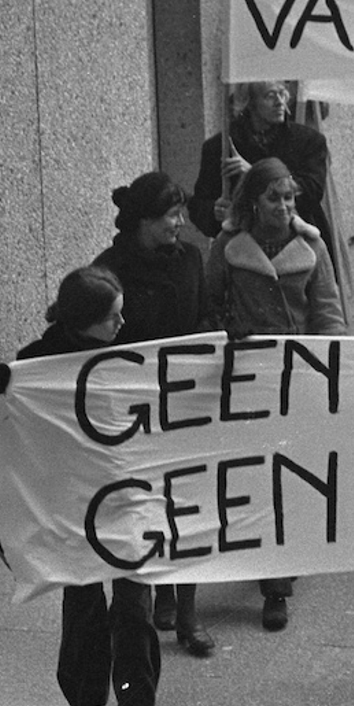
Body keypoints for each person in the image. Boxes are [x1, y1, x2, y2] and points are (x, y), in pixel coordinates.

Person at [0, 266, 168, 706]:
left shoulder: (129, 350)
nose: (122, 324)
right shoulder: (35, 365)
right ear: (83, 320)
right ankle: (84, 696)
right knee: (84, 601)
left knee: (135, 608)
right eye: (111, 316)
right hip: (73, 500)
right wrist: (3, 390)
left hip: (127, 494)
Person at [202, 157, 345, 631]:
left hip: (299, 373)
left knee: (289, 474)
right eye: (273, 198)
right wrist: (228, 330)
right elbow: (209, 303)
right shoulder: (226, 247)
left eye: (289, 198)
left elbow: (327, 309)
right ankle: (266, 566)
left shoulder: (311, 247)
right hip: (247, 373)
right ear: (252, 202)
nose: (283, 207)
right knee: (256, 475)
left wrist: (332, 365)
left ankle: (278, 582)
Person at [92, 173, 215, 660]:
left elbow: (205, 315)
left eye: (182, 213)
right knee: (146, 505)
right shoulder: (108, 270)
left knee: (188, 504)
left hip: (184, 402)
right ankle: (157, 598)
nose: (181, 223)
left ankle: (187, 614)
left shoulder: (190, 258)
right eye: (171, 215)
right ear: (143, 220)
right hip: (134, 410)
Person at [193, 81, 339, 286]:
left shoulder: (308, 141)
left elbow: (312, 192)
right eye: (270, 96)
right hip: (244, 256)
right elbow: (199, 204)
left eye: (283, 94)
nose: (280, 102)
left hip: (299, 247)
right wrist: (214, 212)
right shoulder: (220, 147)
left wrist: (254, 173)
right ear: (249, 103)